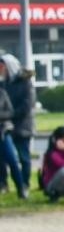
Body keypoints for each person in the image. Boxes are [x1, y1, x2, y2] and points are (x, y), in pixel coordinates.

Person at [1, 53, 36, 195]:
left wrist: (10, 114)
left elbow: (27, 105)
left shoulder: (25, 83)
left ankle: (25, 184)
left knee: (24, 158)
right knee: (4, 158)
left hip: (23, 126)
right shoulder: (3, 84)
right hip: (6, 126)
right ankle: (4, 184)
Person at [0, 56, 18, 198]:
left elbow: (10, 112)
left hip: (3, 131)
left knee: (12, 159)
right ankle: (2, 184)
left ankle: (20, 187)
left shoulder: (2, 93)